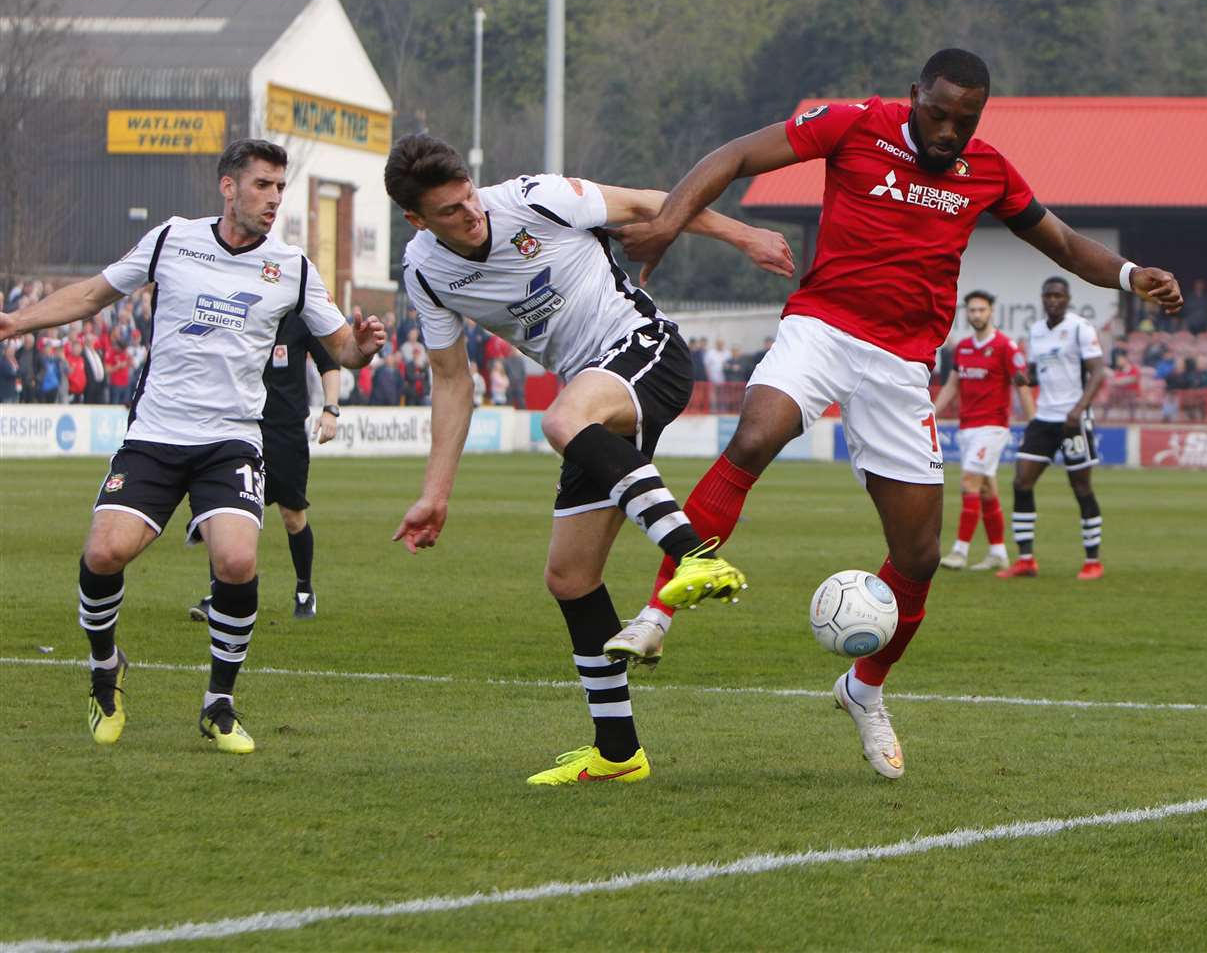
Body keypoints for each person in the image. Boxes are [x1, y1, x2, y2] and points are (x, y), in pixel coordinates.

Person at [609, 49, 1181, 778]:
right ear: (916, 96)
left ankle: (864, 689)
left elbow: (1063, 243)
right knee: (755, 436)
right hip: (821, 327)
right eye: (939, 114)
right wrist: (666, 223)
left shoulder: (989, 172)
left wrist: (1134, 276)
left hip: (902, 366)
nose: (949, 132)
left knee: (916, 558)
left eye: (964, 122)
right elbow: (735, 155)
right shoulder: (852, 125)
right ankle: (657, 616)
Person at [383, 133, 791, 786]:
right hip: (591, 397)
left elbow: (650, 202)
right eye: (451, 213)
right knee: (570, 578)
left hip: (645, 352)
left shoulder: (532, 199)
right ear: (417, 221)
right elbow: (452, 381)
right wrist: (436, 492)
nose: (470, 215)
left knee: (562, 418)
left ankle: (693, 554)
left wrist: (742, 236)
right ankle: (618, 753)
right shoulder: (427, 273)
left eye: (468, 198)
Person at [0, 139, 384, 753]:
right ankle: (105, 669)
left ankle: (219, 703)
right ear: (228, 187)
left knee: (236, 562)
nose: (274, 199)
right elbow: (95, 294)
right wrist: (17, 321)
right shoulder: (170, 238)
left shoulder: (293, 267)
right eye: (263, 185)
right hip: (154, 434)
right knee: (104, 553)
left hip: (230, 441)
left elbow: (342, 348)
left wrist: (364, 345)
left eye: (281, 188)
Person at [189, 311, 342, 623]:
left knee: (292, 515)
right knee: (226, 513)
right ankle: (221, 592)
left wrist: (330, 410)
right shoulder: (242, 312)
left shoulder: (301, 317)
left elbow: (330, 363)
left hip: (285, 431)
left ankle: (304, 590)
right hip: (238, 427)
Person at [1000, 278, 1111, 580]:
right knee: (1022, 481)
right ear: (1042, 298)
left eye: (1058, 295)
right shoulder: (1036, 331)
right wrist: (1026, 379)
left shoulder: (1080, 328)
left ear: (1067, 299)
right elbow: (1039, 371)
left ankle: (1093, 561)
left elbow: (1098, 371)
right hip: (1045, 418)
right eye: (1048, 295)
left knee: (1081, 487)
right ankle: (1025, 560)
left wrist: (1078, 409)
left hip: (1074, 420)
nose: (1053, 300)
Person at [931, 290, 1034, 572]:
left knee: (969, 483)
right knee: (987, 489)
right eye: (972, 310)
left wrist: (1034, 421)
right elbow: (953, 385)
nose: (976, 314)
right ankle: (998, 552)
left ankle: (959, 551)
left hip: (993, 427)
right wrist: (930, 414)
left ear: (991, 312)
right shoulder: (963, 348)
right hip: (967, 428)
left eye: (981, 310)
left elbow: (1021, 385)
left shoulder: (1005, 347)